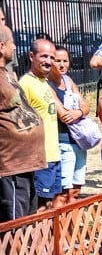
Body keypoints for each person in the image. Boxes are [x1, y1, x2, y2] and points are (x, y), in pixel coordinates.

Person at [0, 24, 45, 223]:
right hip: (9, 164)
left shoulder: (8, 74)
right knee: (14, 220)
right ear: (1, 46)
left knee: (27, 213)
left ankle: (26, 253)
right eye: (12, 42)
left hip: (25, 161)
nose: (15, 46)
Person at [19, 37, 62, 209]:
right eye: (44, 56)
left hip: (53, 154)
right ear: (31, 56)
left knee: (52, 204)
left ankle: (50, 237)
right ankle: (37, 237)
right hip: (40, 157)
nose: (49, 61)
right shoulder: (25, 84)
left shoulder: (44, 83)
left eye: (52, 57)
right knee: (40, 206)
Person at [48, 46, 91, 206]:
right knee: (63, 192)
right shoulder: (47, 85)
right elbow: (63, 114)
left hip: (78, 141)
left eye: (65, 61)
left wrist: (78, 112)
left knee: (76, 191)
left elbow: (86, 106)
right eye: (57, 60)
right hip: (63, 141)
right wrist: (78, 111)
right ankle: (59, 229)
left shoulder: (68, 80)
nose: (61, 65)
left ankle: (71, 228)